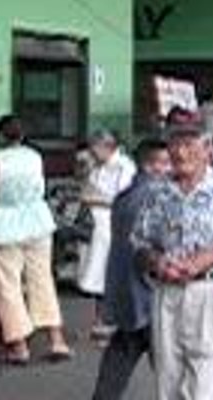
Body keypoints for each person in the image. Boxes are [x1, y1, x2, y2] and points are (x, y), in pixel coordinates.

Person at [131, 113, 213, 400]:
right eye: (174, 144)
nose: (179, 151)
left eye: (189, 143)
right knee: (169, 382)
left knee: (206, 386)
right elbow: (139, 243)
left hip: (210, 292)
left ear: (208, 149)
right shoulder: (158, 192)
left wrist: (208, 258)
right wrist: (157, 262)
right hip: (167, 294)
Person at [0, 115, 71, 364]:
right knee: (42, 280)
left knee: (8, 286)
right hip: (38, 223)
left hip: (5, 228)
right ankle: (57, 341)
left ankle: (19, 346)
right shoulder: (34, 157)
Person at [91, 137, 172, 400]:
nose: (171, 169)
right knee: (171, 364)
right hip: (151, 294)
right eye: (166, 163)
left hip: (125, 293)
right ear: (151, 165)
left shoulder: (124, 198)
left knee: (122, 351)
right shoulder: (158, 199)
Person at [77, 129, 137, 339]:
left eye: (95, 149)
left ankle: (111, 321)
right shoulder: (96, 167)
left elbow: (122, 199)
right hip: (95, 226)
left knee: (108, 272)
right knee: (95, 274)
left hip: (111, 225)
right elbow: (85, 189)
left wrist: (95, 199)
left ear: (107, 147)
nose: (92, 153)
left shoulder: (125, 167)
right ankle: (99, 321)